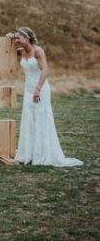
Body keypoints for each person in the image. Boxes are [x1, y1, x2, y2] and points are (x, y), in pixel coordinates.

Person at [6, 27, 83, 167]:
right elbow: (6, 48)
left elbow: (45, 70)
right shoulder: (22, 51)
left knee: (41, 119)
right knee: (29, 119)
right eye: (16, 38)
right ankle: (28, 153)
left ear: (27, 37)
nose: (16, 40)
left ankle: (42, 154)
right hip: (28, 91)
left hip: (40, 89)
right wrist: (10, 37)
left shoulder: (38, 51)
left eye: (18, 38)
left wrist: (38, 89)